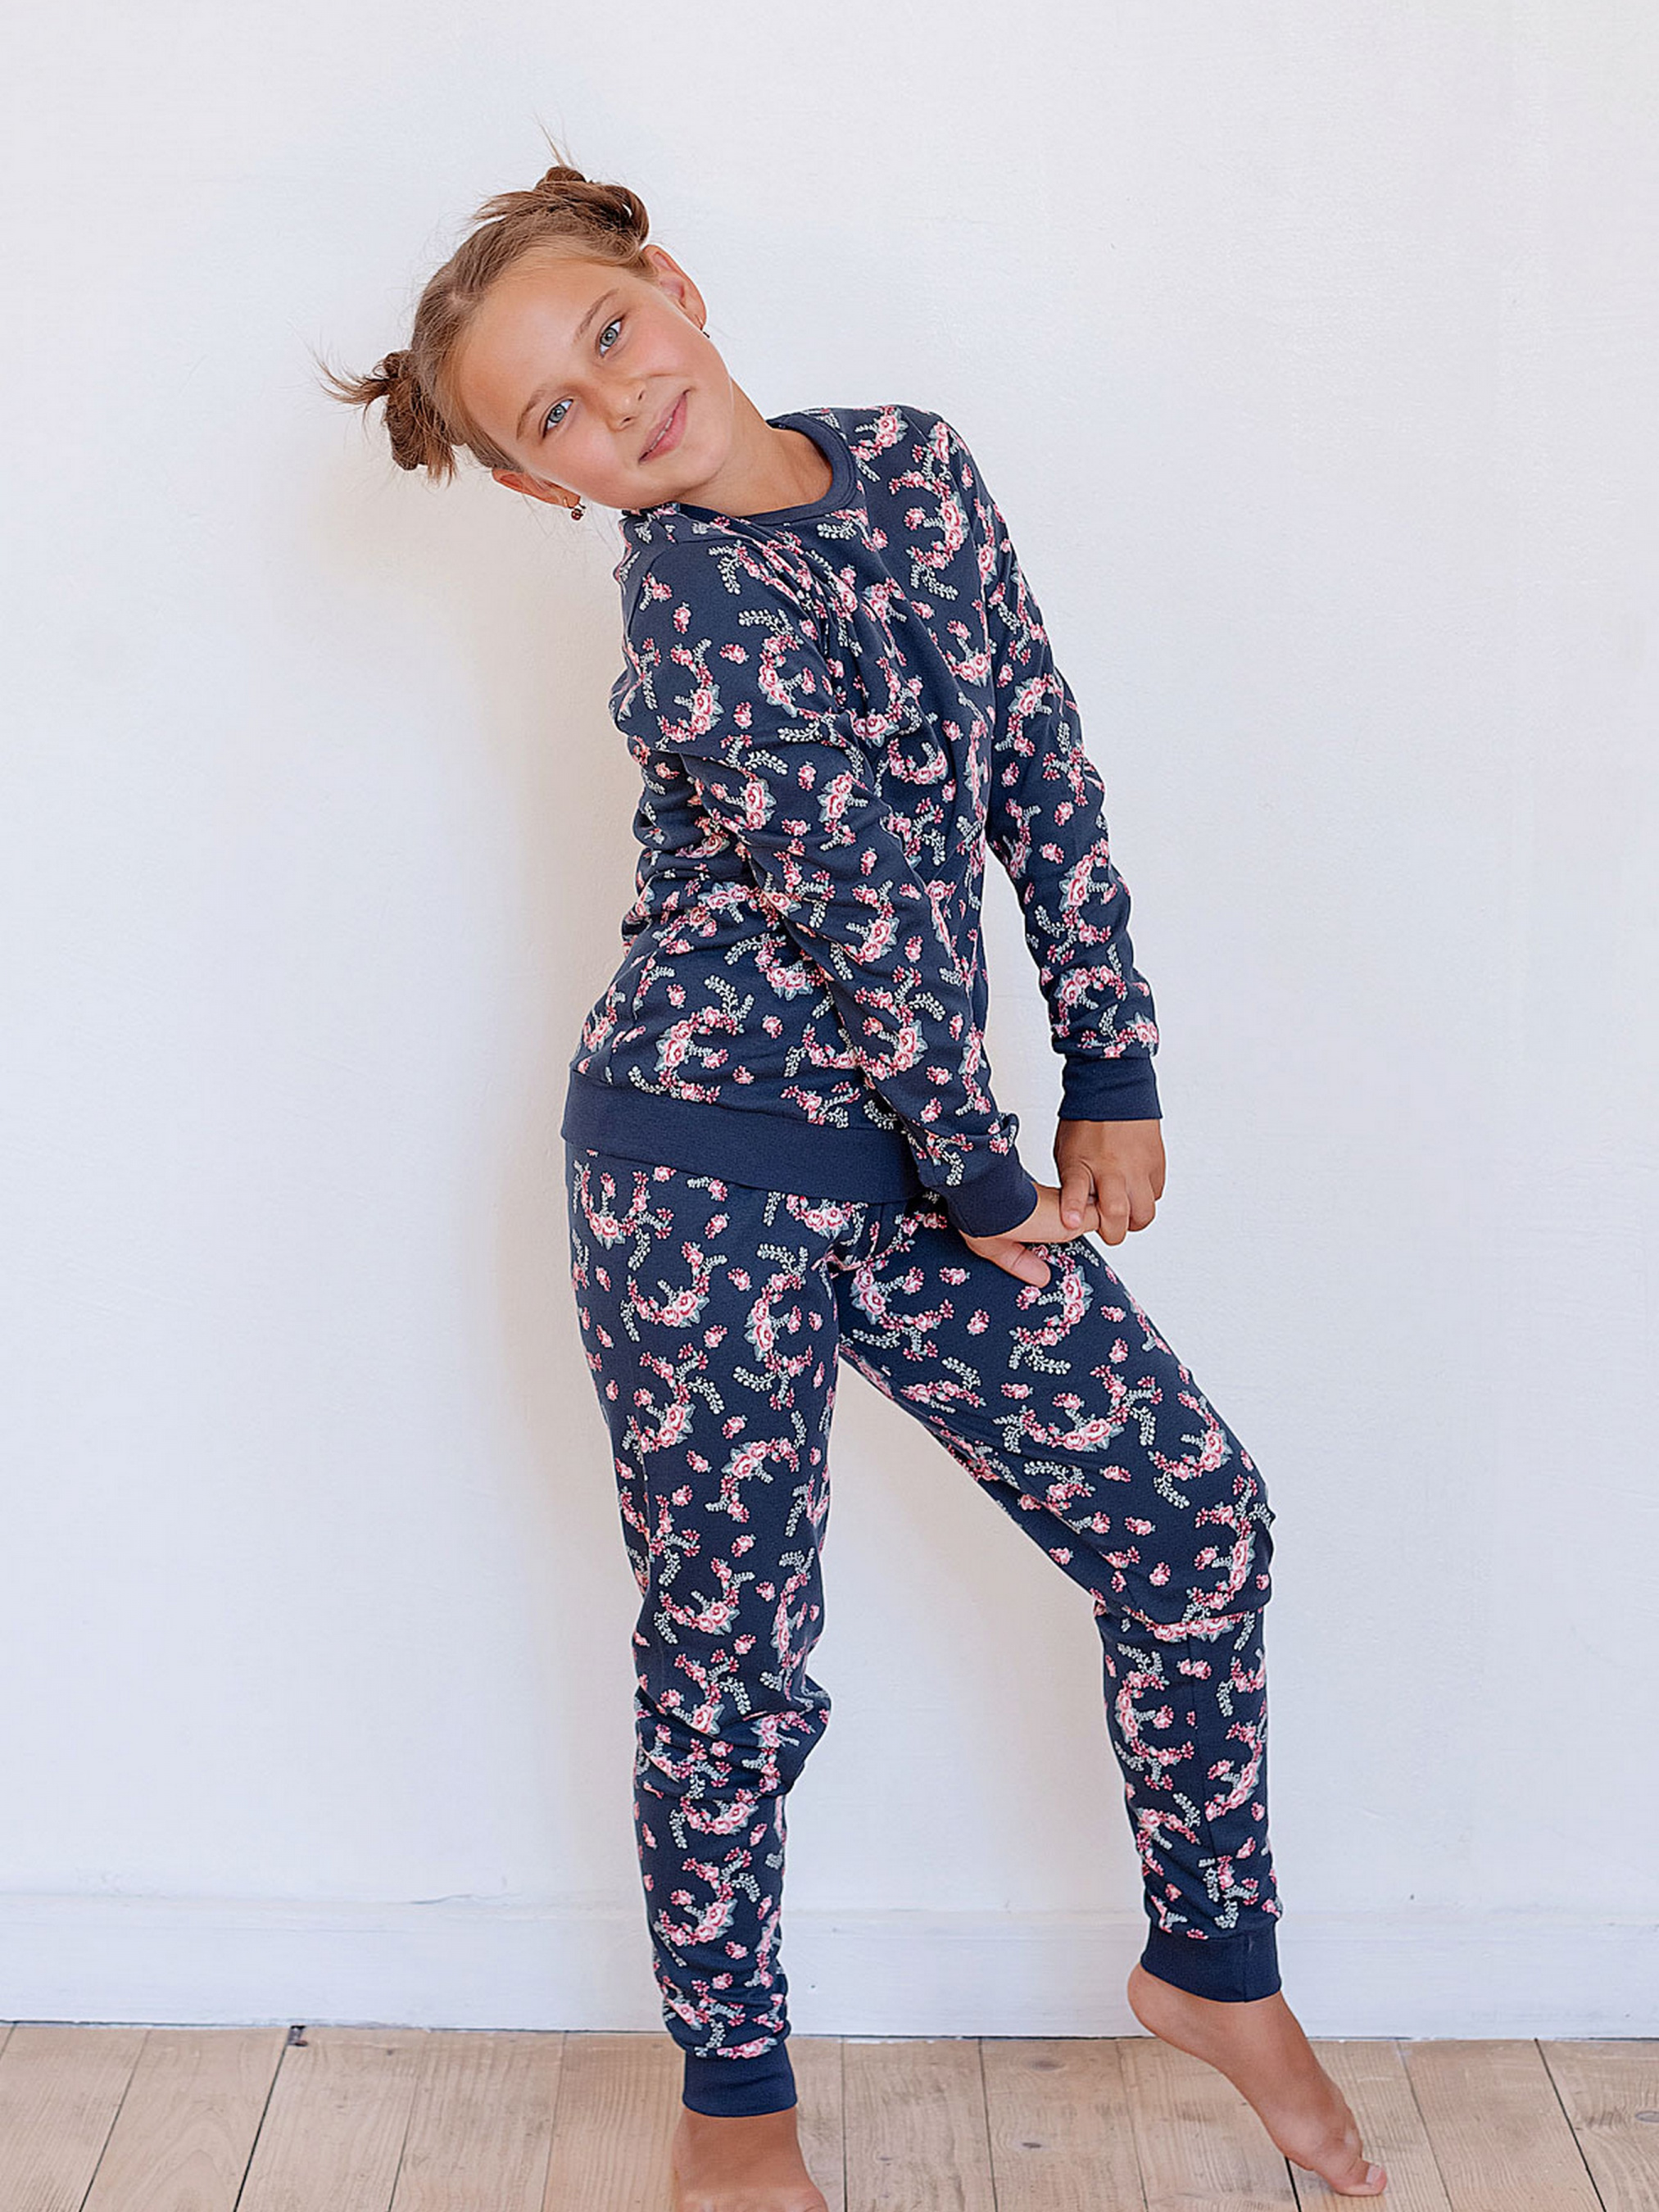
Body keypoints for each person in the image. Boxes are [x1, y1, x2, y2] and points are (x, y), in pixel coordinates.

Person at [320, 147, 1387, 2210]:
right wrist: (983, 1167)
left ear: (676, 283)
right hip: (698, 1184)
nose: (619, 401)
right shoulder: (686, 606)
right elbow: (866, 920)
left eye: (611, 332)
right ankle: (733, 2117)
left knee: (1191, 1521)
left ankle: (1209, 1960)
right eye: (556, 415)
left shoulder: (915, 464)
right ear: (541, 487)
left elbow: (1035, 762)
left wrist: (1112, 1057)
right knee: (731, 1652)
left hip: (920, 1160)